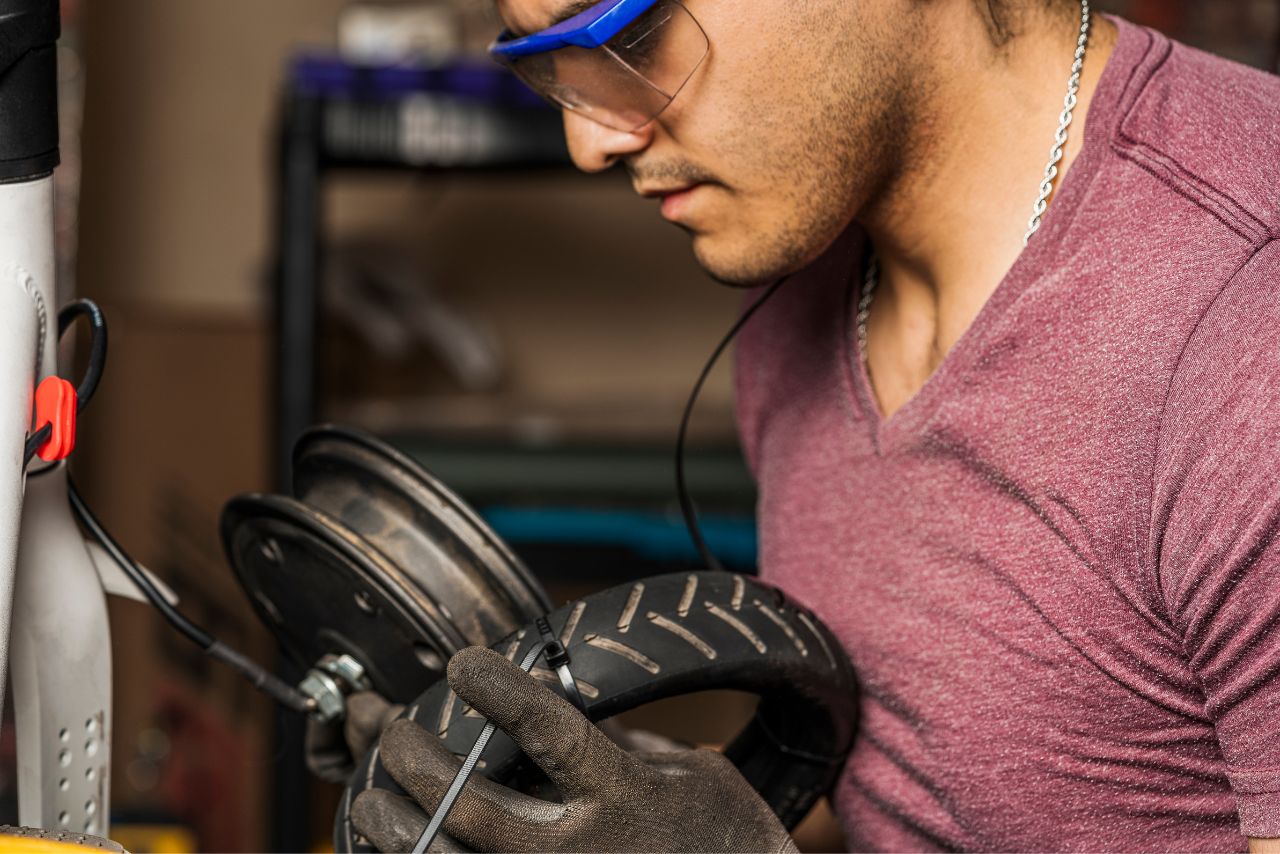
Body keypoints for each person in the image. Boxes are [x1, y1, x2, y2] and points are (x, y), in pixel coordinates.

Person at [348, 0, 1280, 849]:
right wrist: (589, 800)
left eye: (627, 37)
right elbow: (934, 798)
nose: (587, 142)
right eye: (544, 64)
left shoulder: (1243, 327)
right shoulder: (808, 276)